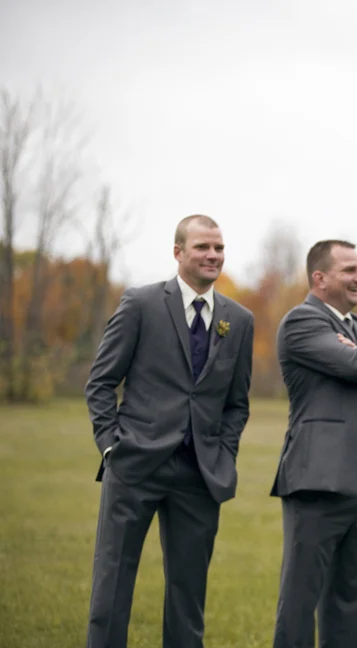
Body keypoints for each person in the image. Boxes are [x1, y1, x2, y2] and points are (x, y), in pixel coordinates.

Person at [84, 214, 254, 648]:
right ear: (178, 252)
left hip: (200, 474)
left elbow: (237, 403)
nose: (213, 255)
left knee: (188, 596)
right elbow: (101, 382)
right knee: (112, 586)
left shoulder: (239, 319)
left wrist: (223, 454)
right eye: (202, 247)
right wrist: (110, 447)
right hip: (134, 465)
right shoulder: (140, 304)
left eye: (219, 247)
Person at [270, 240, 357, 648]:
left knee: (351, 597)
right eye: (350, 270)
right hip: (316, 480)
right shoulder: (301, 321)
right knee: (301, 595)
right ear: (320, 278)